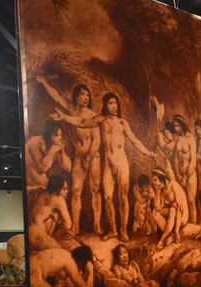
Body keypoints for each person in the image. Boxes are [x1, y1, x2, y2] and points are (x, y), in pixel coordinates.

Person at [55, 92, 155, 241]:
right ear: (105, 105)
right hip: (108, 166)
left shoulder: (122, 123)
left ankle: (123, 231)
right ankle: (113, 230)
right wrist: (64, 117)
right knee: (108, 199)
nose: (114, 106)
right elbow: (82, 123)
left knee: (122, 198)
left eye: (116, 103)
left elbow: (135, 141)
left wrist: (149, 153)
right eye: (111, 103)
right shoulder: (101, 120)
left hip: (121, 163)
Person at [36, 75, 102, 236]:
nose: (86, 98)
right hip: (79, 157)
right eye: (82, 94)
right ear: (76, 97)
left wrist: (88, 159)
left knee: (95, 190)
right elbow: (57, 96)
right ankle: (75, 227)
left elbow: (97, 141)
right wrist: (44, 82)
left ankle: (97, 225)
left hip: (93, 157)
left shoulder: (92, 116)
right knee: (76, 190)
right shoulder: (71, 110)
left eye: (88, 95)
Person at [30, 245, 95, 287]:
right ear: (81, 259)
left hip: (31, 263)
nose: (83, 265)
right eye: (84, 263)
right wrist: (90, 273)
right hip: (34, 273)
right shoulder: (71, 263)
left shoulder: (65, 254)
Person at [28, 175, 71, 251]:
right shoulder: (59, 200)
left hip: (28, 233)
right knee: (60, 252)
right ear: (56, 190)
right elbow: (68, 225)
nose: (67, 191)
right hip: (39, 236)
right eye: (64, 189)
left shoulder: (40, 190)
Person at [24, 121, 72, 190]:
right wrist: (52, 152)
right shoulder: (35, 142)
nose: (60, 138)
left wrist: (62, 152)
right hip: (28, 179)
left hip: (40, 178)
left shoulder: (55, 145)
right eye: (56, 135)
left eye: (61, 135)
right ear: (48, 135)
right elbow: (43, 167)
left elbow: (67, 168)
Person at [150, 168, 189, 250]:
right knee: (154, 212)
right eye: (153, 181)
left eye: (155, 180)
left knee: (173, 209)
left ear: (161, 177)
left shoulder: (173, 184)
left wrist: (177, 230)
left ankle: (163, 239)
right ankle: (170, 235)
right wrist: (158, 191)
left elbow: (179, 207)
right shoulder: (161, 189)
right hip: (173, 215)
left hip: (181, 215)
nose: (154, 183)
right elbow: (157, 207)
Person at [173, 115, 198, 224]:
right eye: (174, 126)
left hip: (190, 175)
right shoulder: (178, 139)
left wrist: (186, 176)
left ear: (182, 125)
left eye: (177, 125)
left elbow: (193, 160)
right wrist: (178, 175)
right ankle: (184, 225)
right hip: (180, 176)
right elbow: (176, 159)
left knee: (191, 201)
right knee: (182, 202)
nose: (175, 128)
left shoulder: (190, 138)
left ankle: (193, 226)